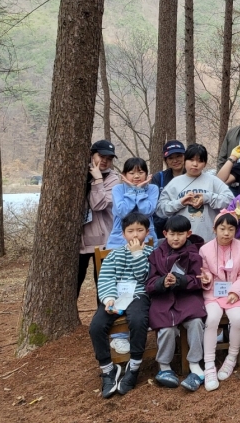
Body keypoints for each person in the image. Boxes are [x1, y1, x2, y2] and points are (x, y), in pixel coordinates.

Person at [89, 211, 153, 398]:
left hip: (139, 295)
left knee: (138, 320)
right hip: (116, 297)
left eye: (140, 230)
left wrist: (137, 254)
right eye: (130, 231)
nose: (135, 235)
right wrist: (108, 298)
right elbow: (106, 278)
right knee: (96, 326)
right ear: (123, 234)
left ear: (147, 232)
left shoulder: (152, 254)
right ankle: (108, 369)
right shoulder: (114, 255)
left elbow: (145, 278)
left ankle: (134, 366)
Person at [145, 214, 207, 391]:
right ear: (165, 233)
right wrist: (162, 282)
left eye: (180, 234)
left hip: (187, 297)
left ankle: (195, 364)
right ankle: (164, 366)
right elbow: (149, 283)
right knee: (167, 328)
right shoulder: (156, 254)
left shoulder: (194, 254)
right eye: (172, 234)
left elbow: (199, 280)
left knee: (196, 322)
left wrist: (181, 280)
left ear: (188, 234)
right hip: (164, 299)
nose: (176, 238)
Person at [198, 210, 240, 391]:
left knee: (238, 319)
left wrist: (235, 292)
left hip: (234, 293)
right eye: (222, 229)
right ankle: (209, 364)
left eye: (231, 229)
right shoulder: (205, 249)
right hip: (213, 293)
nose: (226, 233)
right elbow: (204, 270)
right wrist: (206, 278)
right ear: (214, 229)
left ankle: (231, 357)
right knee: (212, 319)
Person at [157, 144, 234, 243]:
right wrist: (180, 202)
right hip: (181, 241)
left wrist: (207, 198)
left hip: (209, 239)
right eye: (191, 160)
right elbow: (160, 210)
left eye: (200, 161)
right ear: (185, 160)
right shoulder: (174, 183)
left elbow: (230, 201)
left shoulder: (213, 181)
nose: (195, 164)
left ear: (205, 163)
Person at [79, 139, 120, 298]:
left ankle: (103, 313)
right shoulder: (79, 173)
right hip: (79, 241)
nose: (105, 161)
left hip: (104, 241)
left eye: (109, 158)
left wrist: (98, 180)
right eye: (101, 156)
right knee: (75, 282)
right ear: (91, 155)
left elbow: (98, 205)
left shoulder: (113, 179)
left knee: (103, 286)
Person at [107, 157, 158, 249]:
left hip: (146, 235)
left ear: (146, 174)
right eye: (132, 173)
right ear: (124, 175)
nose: (137, 176)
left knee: (148, 257)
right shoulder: (117, 189)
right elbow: (123, 213)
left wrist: (140, 190)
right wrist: (132, 190)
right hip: (120, 236)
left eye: (141, 172)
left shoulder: (153, 188)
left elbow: (147, 212)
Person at [151, 140, 186, 234]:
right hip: (164, 229)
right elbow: (155, 206)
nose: (175, 160)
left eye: (178, 156)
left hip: (187, 225)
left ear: (185, 157)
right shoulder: (159, 178)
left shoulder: (193, 177)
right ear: (166, 160)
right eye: (170, 158)